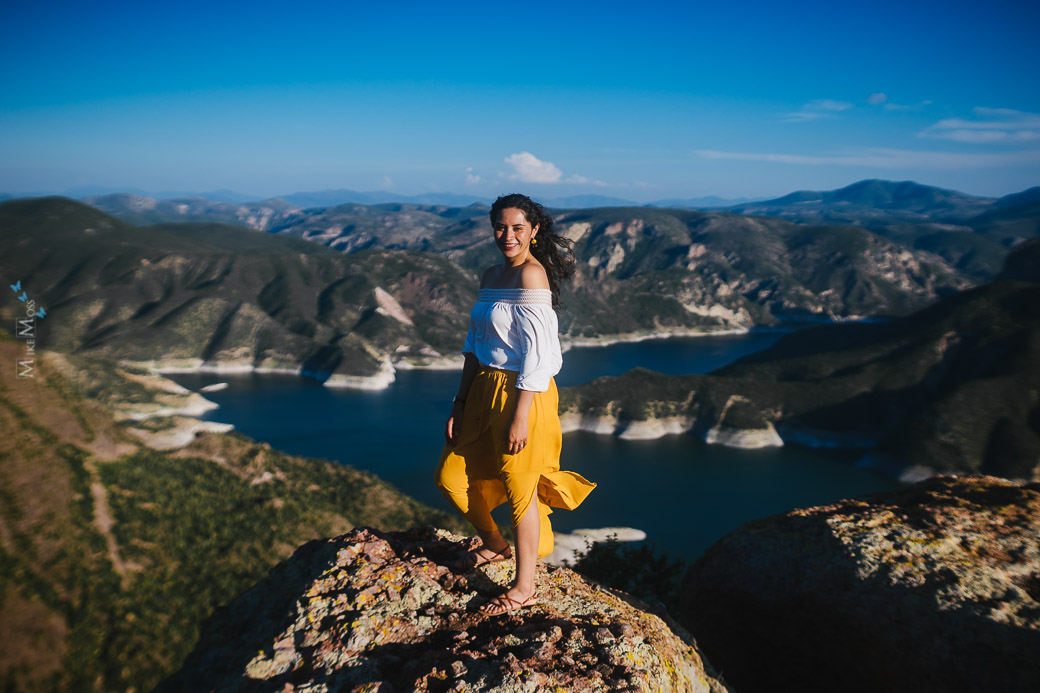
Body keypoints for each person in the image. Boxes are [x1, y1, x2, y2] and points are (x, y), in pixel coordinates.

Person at [435, 193, 596, 615]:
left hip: (524, 394)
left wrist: (520, 415)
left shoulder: (532, 278)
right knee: (451, 477)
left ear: (534, 231)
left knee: (520, 489)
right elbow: (475, 346)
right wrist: (459, 401)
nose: (508, 236)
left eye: (518, 228)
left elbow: (540, 355)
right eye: (501, 227)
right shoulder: (490, 275)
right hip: (483, 390)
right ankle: (495, 545)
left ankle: (524, 587)